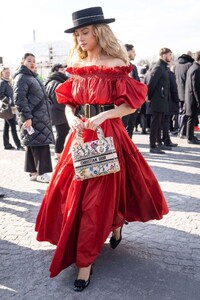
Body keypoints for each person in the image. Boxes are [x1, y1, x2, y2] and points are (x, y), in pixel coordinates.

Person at [35, 7, 168, 291]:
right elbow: (69, 100)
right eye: (77, 34)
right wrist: (72, 118)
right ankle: (110, 227)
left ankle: (85, 263)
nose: (81, 38)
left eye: (85, 32)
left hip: (107, 133)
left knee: (97, 197)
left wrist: (103, 116)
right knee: (72, 193)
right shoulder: (76, 63)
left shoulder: (118, 63)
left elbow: (132, 104)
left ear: (99, 31)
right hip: (80, 135)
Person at [13, 53, 54, 183]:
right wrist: (26, 117)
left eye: (34, 61)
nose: (32, 63)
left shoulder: (31, 77)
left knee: (33, 144)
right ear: (22, 62)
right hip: (33, 117)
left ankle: (33, 172)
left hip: (39, 116)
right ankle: (42, 173)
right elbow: (19, 99)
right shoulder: (22, 77)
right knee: (40, 144)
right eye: (29, 60)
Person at [147, 48, 172, 154]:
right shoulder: (158, 67)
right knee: (155, 124)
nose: (171, 57)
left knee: (159, 123)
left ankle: (159, 143)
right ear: (163, 55)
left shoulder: (163, 67)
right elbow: (151, 83)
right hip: (157, 100)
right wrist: (149, 97)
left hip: (162, 100)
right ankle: (152, 146)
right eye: (169, 55)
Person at [45, 64, 70, 160]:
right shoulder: (55, 82)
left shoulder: (53, 80)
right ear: (56, 70)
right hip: (60, 113)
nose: (64, 71)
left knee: (62, 133)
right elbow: (58, 99)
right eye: (62, 69)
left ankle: (59, 152)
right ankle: (58, 153)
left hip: (57, 113)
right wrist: (68, 109)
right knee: (62, 133)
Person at [0, 66, 24, 150]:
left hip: (11, 108)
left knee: (7, 127)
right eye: (6, 72)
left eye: (9, 72)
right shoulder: (3, 82)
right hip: (7, 108)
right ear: (2, 73)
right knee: (13, 126)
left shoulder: (8, 82)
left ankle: (6, 144)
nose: (8, 74)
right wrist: (8, 101)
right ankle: (18, 145)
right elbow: (0, 94)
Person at [122, 44, 140, 138]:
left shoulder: (134, 67)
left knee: (130, 128)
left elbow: (138, 84)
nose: (135, 54)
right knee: (121, 128)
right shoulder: (119, 65)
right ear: (127, 52)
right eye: (133, 52)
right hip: (122, 104)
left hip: (133, 104)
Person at [174, 51, 194, 139]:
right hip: (186, 92)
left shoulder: (176, 65)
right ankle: (182, 132)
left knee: (179, 112)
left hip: (177, 92)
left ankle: (179, 130)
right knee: (185, 113)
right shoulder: (189, 65)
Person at [185, 51, 200, 144]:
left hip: (190, 97)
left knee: (192, 118)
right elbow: (196, 87)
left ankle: (190, 136)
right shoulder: (197, 69)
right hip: (193, 99)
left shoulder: (192, 68)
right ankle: (190, 138)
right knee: (192, 118)